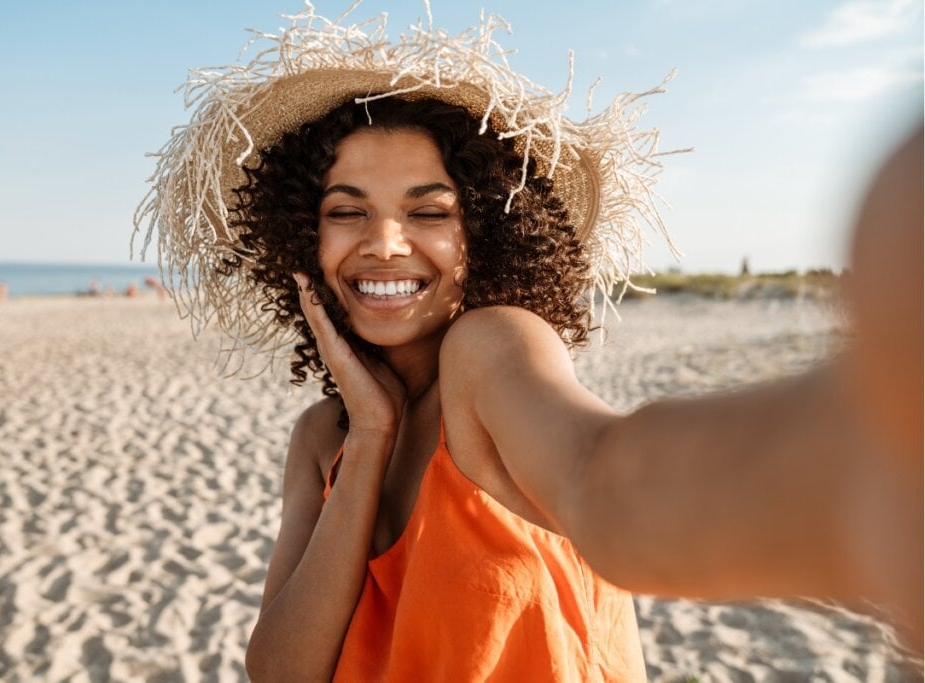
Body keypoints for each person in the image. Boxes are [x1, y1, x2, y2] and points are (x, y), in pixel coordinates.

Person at [133, 4, 922, 680]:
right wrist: (370, 437)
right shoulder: (322, 439)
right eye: (347, 210)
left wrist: (863, 482)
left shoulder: (491, 350)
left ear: (486, 236)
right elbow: (278, 669)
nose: (383, 241)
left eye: (429, 211)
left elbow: (605, 481)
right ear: (302, 241)